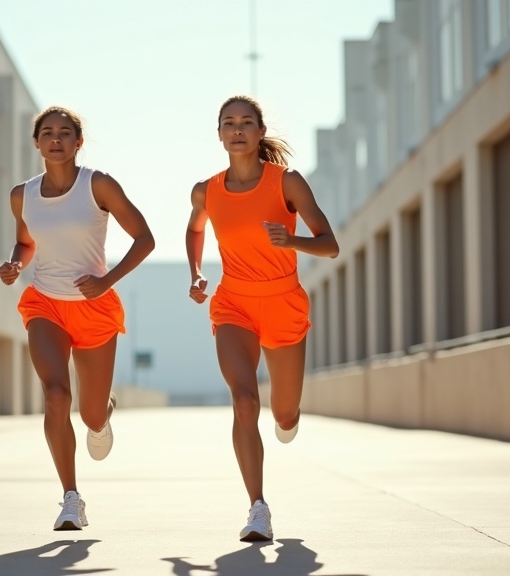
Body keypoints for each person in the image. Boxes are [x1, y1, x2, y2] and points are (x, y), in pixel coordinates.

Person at [185, 95, 340, 541]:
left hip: (283, 303)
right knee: (244, 400)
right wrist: (196, 274)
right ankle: (257, 508)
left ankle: (287, 418)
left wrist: (291, 241)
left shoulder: (286, 183)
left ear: (259, 132)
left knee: (285, 414)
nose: (237, 130)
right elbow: (196, 228)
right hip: (233, 303)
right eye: (228, 123)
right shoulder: (206, 190)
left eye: (246, 123)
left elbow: (329, 244)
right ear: (218, 134)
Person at [0, 106, 154, 531]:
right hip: (45, 303)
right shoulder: (22, 195)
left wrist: (107, 281)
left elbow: (145, 239)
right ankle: (71, 498)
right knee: (55, 396)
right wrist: (15, 263)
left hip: (93, 306)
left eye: (65, 133)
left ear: (78, 142)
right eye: (46, 133)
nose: (55, 139)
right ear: (36, 143)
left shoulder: (97, 185)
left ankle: (102, 413)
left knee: (89, 417)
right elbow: (24, 242)